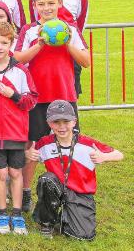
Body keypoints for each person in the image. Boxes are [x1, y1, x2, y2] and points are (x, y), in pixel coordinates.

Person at [14, 0, 91, 213]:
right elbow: (18, 59)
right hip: (37, 97)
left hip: (64, 96)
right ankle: (26, 192)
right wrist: (39, 44)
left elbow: (86, 61)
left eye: (51, 3)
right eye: (41, 4)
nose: (46, 8)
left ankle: (70, 191)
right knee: (33, 145)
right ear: (35, 6)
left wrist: (67, 43)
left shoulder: (70, 30)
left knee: (69, 145)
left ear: (59, 3)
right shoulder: (29, 30)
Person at [27, 100, 123, 240]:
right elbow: (26, 159)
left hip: (80, 193)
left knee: (83, 236)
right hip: (57, 187)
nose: (61, 127)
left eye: (66, 121)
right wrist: (27, 155)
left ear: (74, 122)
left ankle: (64, 217)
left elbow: (119, 154)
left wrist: (104, 156)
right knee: (46, 180)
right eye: (56, 122)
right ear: (49, 123)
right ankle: (46, 223)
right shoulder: (44, 143)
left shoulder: (87, 144)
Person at [0, 22, 38, 236]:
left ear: (11, 44)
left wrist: (12, 95)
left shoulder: (21, 71)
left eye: (4, 42)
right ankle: (3, 214)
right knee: (1, 173)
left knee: (15, 172)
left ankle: (17, 214)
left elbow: (31, 100)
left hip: (16, 132)